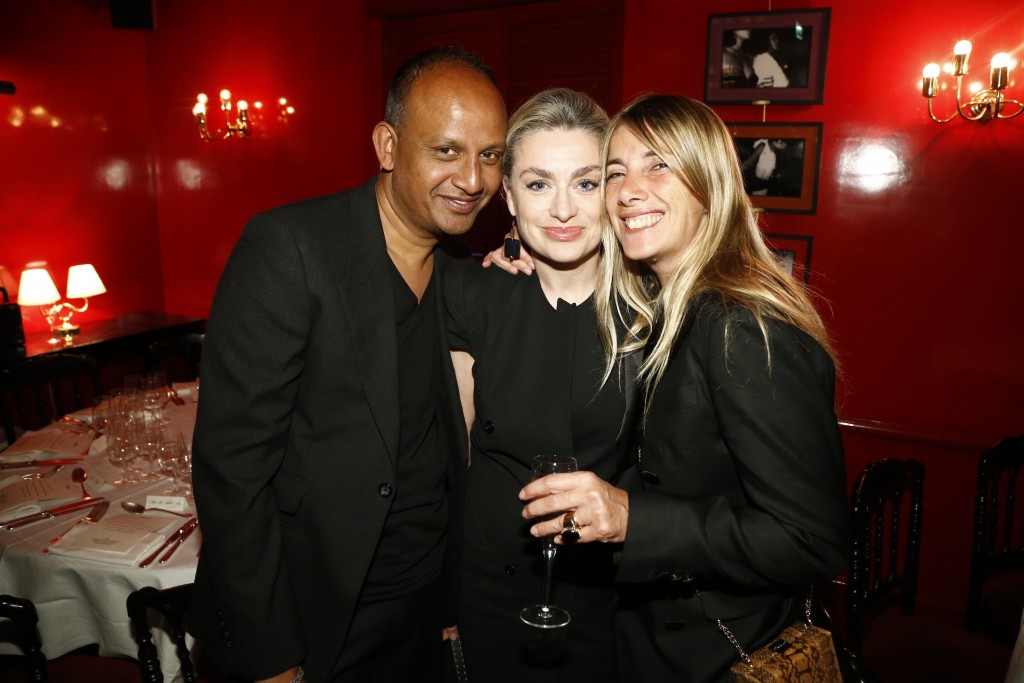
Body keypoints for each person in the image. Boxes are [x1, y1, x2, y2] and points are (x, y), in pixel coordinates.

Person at [188, 46, 507, 683]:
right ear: (388, 146)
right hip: (313, 611)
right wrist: (271, 653)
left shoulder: (460, 274)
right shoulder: (292, 248)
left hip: (420, 611)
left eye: (491, 155)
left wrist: (447, 595)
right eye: (446, 150)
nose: (473, 180)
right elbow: (232, 470)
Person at [519, 94, 848, 682]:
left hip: (725, 656)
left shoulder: (741, 323)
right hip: (659, 647)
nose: (627, 190)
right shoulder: (663, 309)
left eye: (658, 165)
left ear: (709, 184)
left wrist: (634, 520)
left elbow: (811, 541)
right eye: (614, 172)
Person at [444, 88, 636, 683]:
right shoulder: (472, 295)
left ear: (611, 189)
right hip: (492, 587)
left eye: (583, 183)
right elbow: (453, 458)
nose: (561, 210)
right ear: (506, 195)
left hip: (620, 597)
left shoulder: (658, 309)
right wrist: (444, 591)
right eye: (536, 184)